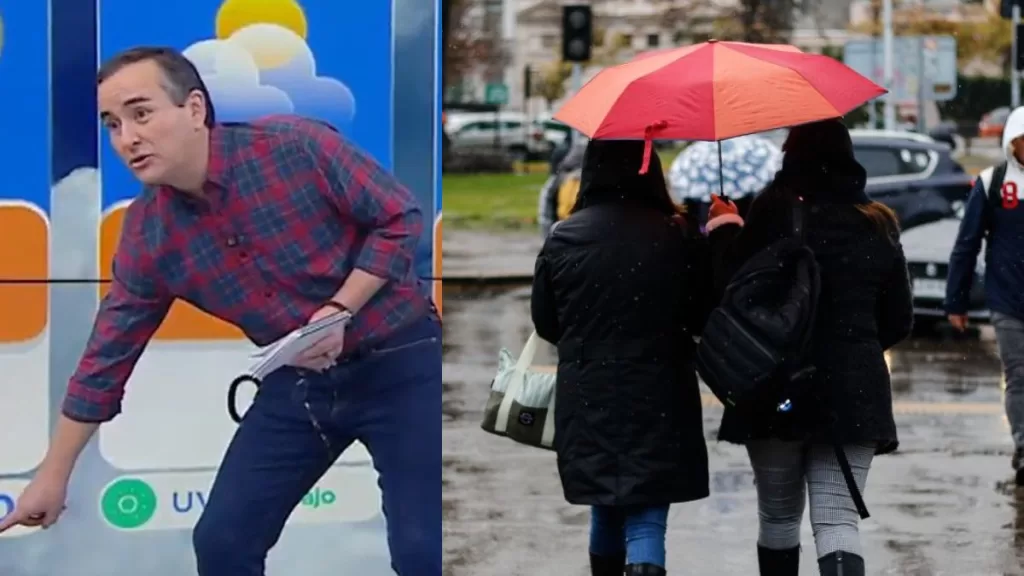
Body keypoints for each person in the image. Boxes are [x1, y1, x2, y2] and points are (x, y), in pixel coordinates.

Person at [0, 46, 441, 576]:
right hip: (300, 383)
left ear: (193, 109)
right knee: (222, 543)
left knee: (423, 551)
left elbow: (398, 217)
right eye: (112, 125)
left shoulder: (295, 147)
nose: (127, 138)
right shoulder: (149, 237)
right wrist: (52, 475)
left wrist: (338, 309)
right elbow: (105, 360)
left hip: (403, 361)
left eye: (142, 114)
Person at [705, 119, 913, 576]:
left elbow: (729, 293)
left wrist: (724, 228)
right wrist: (851, 346)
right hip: (854, 392)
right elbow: (898, 320)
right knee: (838, 522)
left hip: (774, 386)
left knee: (778, 518)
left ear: (791, 154)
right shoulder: (877, 223)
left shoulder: (773, 211)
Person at [530, 139, 712, 576]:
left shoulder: (563, 238)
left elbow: (547, 324)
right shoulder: (676, 234)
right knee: (646, 511)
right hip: (660, 387)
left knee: (606, 504)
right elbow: (702, 312)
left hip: (589, 389)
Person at [946, 106, 1024, 484]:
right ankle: (1023, 447)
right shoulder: (993, 182)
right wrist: (955, 301)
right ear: (1012, 143)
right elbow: (967, 244)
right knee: (1019, 375)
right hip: (1007, 298)